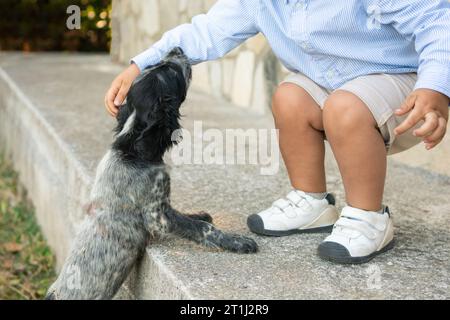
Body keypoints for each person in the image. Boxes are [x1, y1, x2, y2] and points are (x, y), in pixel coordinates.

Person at [105, 0, 450, 264]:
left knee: (344, 106)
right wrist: (140, 65)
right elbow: (204, 32)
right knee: (289, 96)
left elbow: (437, 21)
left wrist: (435, 87)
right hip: (340, 87)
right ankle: (311, 200)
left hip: (409, 94)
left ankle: (368, 216)